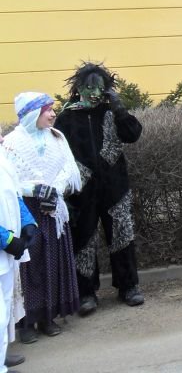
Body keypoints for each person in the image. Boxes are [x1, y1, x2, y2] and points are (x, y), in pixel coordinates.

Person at [54, 63, 144, 315]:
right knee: (83, 241)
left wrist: (119, 108)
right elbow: (58, 156)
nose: (94, 93)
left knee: (122, 237)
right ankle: (86, 294)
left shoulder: (112, 112)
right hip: (82, 192)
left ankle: (129, 287)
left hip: (115, 188)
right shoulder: (67, 117)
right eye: (88, 87)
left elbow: (133, 134)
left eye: (99, 88)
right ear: (79, 88)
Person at [2, 93, 81, 344]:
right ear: (31, 114)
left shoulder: (57, 137)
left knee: (53, 261)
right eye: (47, 109)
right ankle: (26, 321)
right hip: (27, 213)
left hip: (53, 211)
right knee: (29, 265)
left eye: (52, 109)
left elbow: (70, 168)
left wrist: (55, 188)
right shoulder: (12, 143)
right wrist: (35, 190)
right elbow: (9, 179)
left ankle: (48, 316)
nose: (53, 114)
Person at [0, 128, 38, 372]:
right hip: (5, 245)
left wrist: (28, 223)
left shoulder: (3, 159)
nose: (2, 137)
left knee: (4, 306)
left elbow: (15, 195)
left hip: (8, 252)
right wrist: (5, 239)